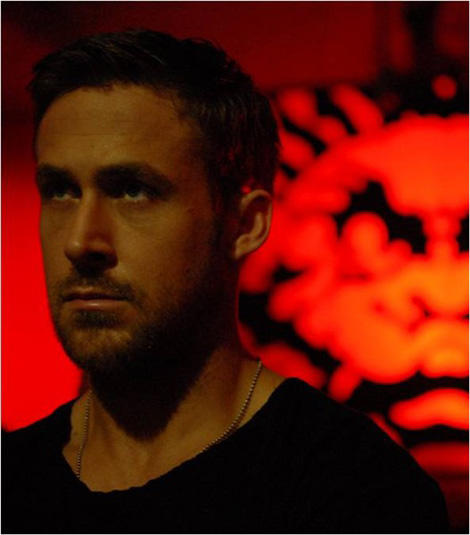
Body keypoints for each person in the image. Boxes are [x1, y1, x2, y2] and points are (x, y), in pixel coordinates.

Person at [3, 29, 448, 534]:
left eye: (132, 191)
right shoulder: (11, 482)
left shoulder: (356, 489)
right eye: (60, 191)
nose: (81, 241)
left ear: (245, 224)